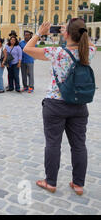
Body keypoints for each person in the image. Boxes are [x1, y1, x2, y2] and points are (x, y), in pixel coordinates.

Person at [23, 19, 96, 196]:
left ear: (66, 34)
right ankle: (78, 184)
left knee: (53, 144)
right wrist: (73, 31)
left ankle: (51, 182)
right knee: (79, 145)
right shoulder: (89, 51)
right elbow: (87, 40)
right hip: (79, 104)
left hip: (55, 103)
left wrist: (40, 33)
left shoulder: (57, 52)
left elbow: (27, 49)